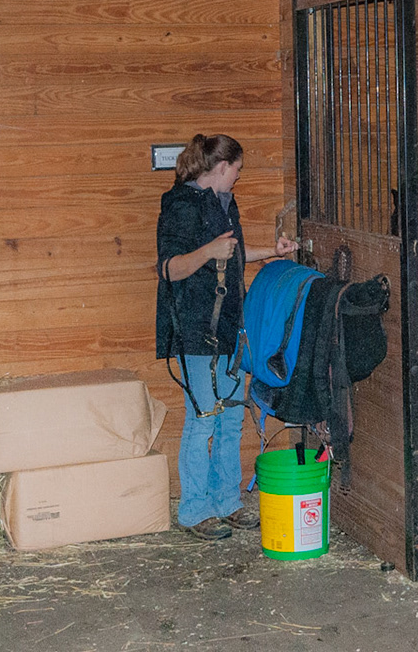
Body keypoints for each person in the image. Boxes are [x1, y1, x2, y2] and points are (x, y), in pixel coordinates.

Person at [155, 133, 298, 541]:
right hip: (194, 328)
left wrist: (272, 251)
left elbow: (230, 252)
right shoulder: (179, 205)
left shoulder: (224, 202)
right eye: (236, 170)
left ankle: (227, 502)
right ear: (221, 168)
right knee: (203, 420)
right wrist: (207, 252)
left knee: (232, 417)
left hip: (229, 326)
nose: (238, 177)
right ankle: (194, 510)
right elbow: (168, 269)